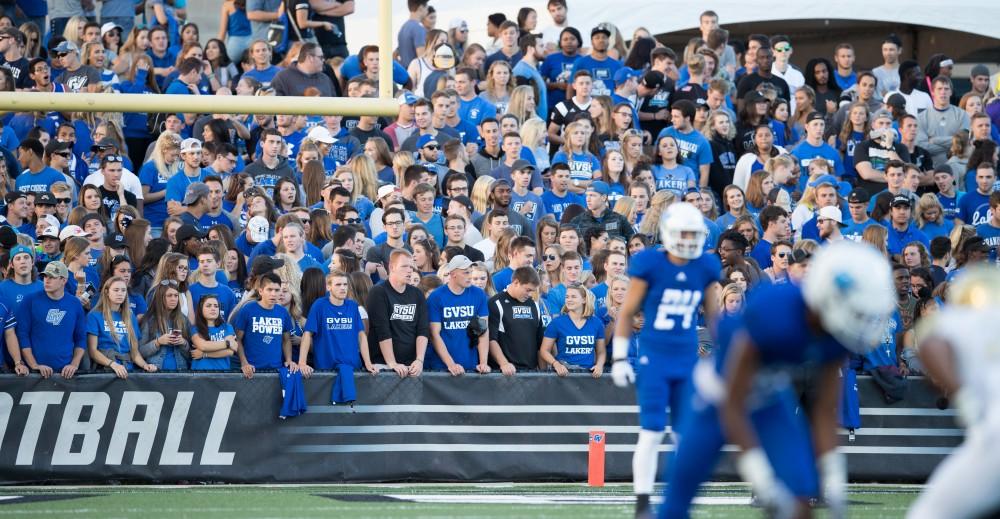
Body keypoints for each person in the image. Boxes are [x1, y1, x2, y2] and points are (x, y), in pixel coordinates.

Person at [660, 241, 894, 519]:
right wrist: (758, 472)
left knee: (801, 493)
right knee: (677, 499)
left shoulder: (835, 331)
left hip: (770, 395)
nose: (859, 318)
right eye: (855, 309)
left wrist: (833, 474)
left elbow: (823, 409)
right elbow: (733, 402)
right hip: (716, 396)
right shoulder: (776, 310)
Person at [610, 202, 721, 516]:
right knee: (652, 431)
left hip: (688, 359)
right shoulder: (650, 264)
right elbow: (628, 311)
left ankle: (679, 499)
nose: (688, 239)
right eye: (682, 232)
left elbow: (714, 316)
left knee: (687, 434)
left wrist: (723, 358)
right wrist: (619, 357)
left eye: (693, 233)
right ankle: (642, 503)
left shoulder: (705, 267)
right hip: (655, 359)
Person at [909, 268, 1000, 519]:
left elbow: (931, 344)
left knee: (928, 513)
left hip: (994, 437)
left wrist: (962, 394)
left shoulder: (969, 319)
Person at [16, 262, 87, 379]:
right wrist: (34, 365)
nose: (47, 280)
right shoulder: (30, 300)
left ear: (63, 281)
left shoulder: (75, 304)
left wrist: (74, 364)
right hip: (35, 373)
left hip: (66, 373)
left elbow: (81, 338)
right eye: (45, 276)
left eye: (52, 277)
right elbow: (23, 336)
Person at [365, 249, 429, 377]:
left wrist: (419, 360)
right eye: (405, 266)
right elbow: (382, 330)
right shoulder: (378, 292)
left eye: (411, 266)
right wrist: (392, 363)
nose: (410, 270)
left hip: (411, 367)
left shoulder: (417, 294)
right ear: (391, 267)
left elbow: (422, 330)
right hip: (384, 365)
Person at [427, 255, 491, 375]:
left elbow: (483, 330)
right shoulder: (436, 297)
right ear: (453, 274)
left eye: (470, 272)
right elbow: (434, 334)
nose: (470, 276)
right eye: (466, 273)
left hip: (471, 366)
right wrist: (451, 364)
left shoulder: (478, 294)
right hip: (442, 368)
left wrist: (483, 362)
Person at [232, 272, 297, 379]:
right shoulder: (248, 309)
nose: (273, 294)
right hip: (252, 370)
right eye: (269, 290)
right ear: (261, 291)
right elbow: (237, 339)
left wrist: (289, 360)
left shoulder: (282, 312)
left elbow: (286, 340)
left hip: (276, 370)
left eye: (276, 290)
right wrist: (244, 363)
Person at [87, 276, 155, 378]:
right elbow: (92, 351)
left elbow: (135, 353)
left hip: (127, 370)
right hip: (104, 370)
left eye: (123, 290)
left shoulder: (130, 317)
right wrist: (113, 364)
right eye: (116, 290)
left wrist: (145, 365)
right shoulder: (94, 316)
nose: (120, 293)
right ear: (106, 292)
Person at [488, 266, 544, 375]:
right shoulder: (496, 303)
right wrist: (504, 364)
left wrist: (543, 372)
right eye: (528, 290)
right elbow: (491, 339)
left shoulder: (534, 305)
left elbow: (540, 342)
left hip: (531, 372)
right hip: (505, 373)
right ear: (516, 282)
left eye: (533, 291)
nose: (530, 294)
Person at [540, 285, 606, 378]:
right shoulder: (557, 322)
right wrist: (556, 364)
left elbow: (601, 351)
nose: (569, 299)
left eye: (573, 296)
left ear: (584, 300)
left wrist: (599, 365)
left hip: (589, 376)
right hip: (564, 375)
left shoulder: (596, 323)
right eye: (567, 297)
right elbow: (544, 350)